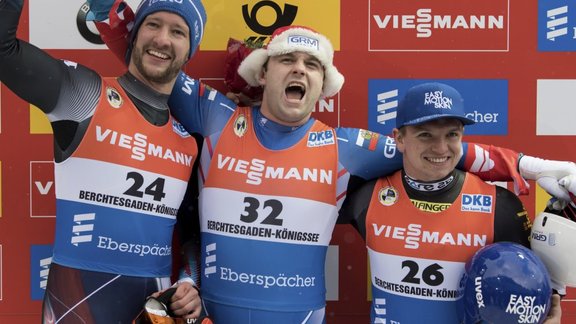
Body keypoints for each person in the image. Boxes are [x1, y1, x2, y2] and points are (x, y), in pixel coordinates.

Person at [90, 3, 576, 322]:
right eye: (288, 60)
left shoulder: (347, 147)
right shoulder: (217, 117)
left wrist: (531, 167)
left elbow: (437, 151)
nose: (300, 69)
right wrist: (108, 15)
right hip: (214, 313)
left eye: (314, 65)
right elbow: (157, 63)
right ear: (264, 74)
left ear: (323, 87)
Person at [0, 0, 208, 322]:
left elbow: (194, 237)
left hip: (154, 308)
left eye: (178, 31)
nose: (163, 39)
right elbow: (4, 50)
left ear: (189, 49)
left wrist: (188, 283)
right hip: (75, 305)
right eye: (153, 24)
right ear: (135, 34)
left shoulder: (189, 141)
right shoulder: (84, 94)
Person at [338, 82, 562, 323]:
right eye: (426, 135)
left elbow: (534, 289)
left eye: (452, 135)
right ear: (399, 139)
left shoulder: (500, 205)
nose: (441, 148)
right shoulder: (366, 196)